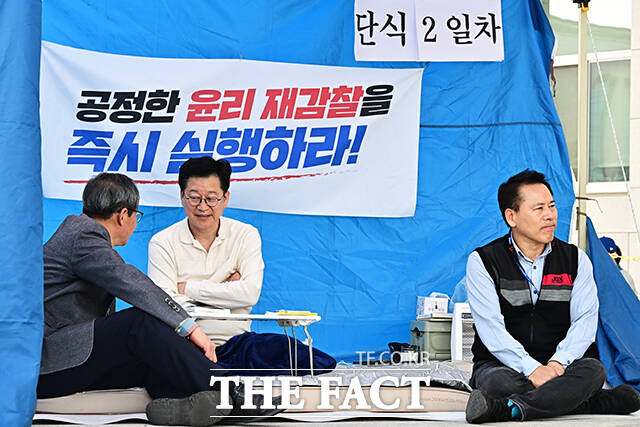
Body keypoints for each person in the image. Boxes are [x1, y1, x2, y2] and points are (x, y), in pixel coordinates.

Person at [38, 173, 278, 426]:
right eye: (136, 215)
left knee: (152, 353)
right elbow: (130, 282)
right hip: (50, 365)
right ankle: (232, 393)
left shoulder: (79, 236)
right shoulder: (83, 236)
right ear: (123, 215)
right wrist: (190, 327)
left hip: (70, 361)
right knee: (139, 322)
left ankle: (187, 405)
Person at [464, 169, 640, 423]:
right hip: (504, 366)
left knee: (593, 371)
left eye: (552, 206)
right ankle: (587, 403)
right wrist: (532, 368)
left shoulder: (576, 259)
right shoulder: (483, 261)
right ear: (511, 216)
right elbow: (491, 329)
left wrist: (557, 364)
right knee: (497, 382)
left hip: (563, 367)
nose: (550, 215)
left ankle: (508, 409)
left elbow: (585, 322)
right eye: (539, 208)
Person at [148, 156, 336, 376]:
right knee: (163, 361)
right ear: (182, 196)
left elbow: (249, 294)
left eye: (211, 198)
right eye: (194, 198)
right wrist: (226, 292)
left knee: (305, 357)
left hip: (238, 343)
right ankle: (214, 376)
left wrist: (187, 288)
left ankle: (217, 375)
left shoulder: (245, 235)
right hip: (186, 344)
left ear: (225, 198)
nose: (202, 207)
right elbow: (164, 304)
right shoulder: (163, 242)